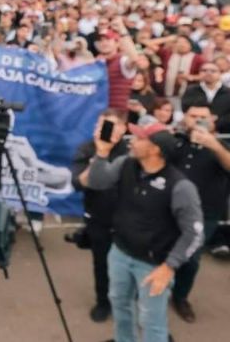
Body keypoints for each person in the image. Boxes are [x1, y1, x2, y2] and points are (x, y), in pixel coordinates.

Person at [83, 122, 204, 342]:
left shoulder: (181, 187)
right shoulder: (125, 164)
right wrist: (101, 152)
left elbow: (195, 233)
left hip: (154, 265)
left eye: (139, 138)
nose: (131, 140)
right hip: (119, 253)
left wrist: (169, 267)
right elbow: (97, 182)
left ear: (155, 149)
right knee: (119, 304)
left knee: (151, 321)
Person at [169, 104, 230, 322]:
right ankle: (157, 289)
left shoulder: (222, 144)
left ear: (213, 120)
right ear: (185, 118)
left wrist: (215, 146)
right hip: (167, 211)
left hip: (204, 214)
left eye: (203, 117)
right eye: (193, 116)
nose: (198, 120)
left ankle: (180, 297)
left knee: (191, 259)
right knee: (161, 252)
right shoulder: (174, 141)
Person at [70, 109, 129, 323]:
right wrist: (100, 154)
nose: (105, 131)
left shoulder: (133, 150)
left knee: (131, 265)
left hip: (130, 220)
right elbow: (79, 183)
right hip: (99, 217)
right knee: (101, 263)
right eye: (101, 125)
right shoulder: (86, 149)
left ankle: (128, 303)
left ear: (123, 129)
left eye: (111, 126)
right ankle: (103, 302)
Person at [180, 62, 230, 133]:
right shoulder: (191, 90)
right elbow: (186, 109)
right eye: (204, 70)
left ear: (220, 74)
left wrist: (216, 122)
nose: (208, 73)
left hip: (224, 132)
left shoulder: (228, 92)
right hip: (195, 131)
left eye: (213, 71)